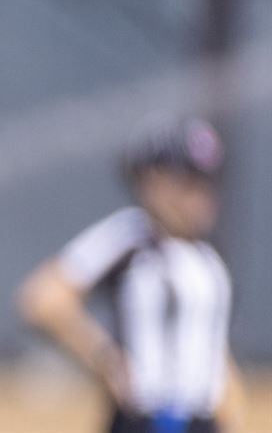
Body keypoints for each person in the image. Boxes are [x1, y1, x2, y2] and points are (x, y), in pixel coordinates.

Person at [17, 116, 246, 433]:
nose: (200, 198)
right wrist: (105, 359)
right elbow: (43, 299)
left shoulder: (208, 259)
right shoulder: (131, 236)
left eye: (206, 183)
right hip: (145, 420)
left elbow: (213, 350)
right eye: (188, 183)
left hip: (201, 422)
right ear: (154, 181)